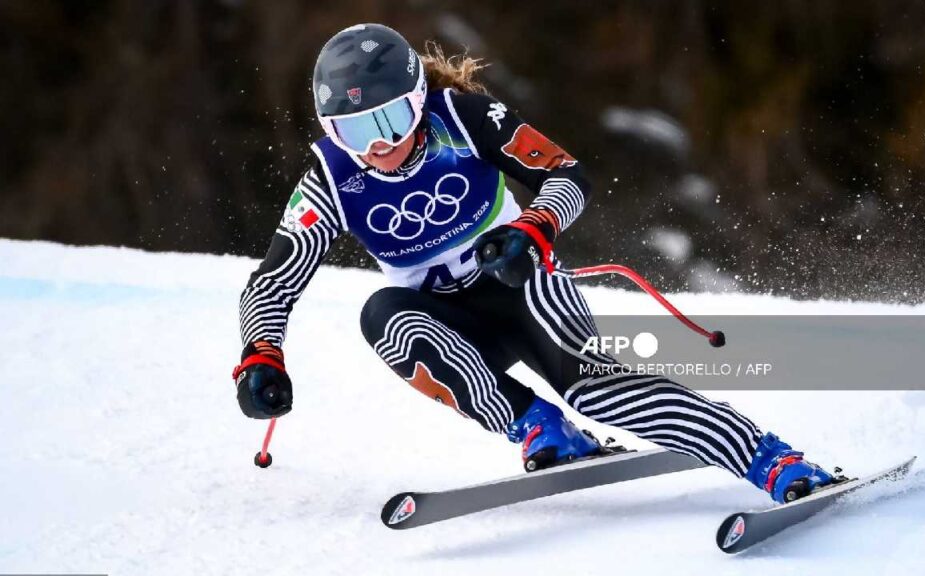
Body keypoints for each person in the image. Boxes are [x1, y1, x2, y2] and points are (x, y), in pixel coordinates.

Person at [233, 23, 836, 504]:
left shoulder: (464, 119)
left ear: (417, 101)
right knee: (383, 315)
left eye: (389, 121)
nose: (377, 147)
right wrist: (260, 355)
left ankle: (767, 456)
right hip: (453, 330)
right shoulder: (330, 179)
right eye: (352, 130)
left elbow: (568, 174)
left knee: (598, 393)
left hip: (523, 286)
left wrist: (532, 229)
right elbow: (272, 283)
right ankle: (536, 424)